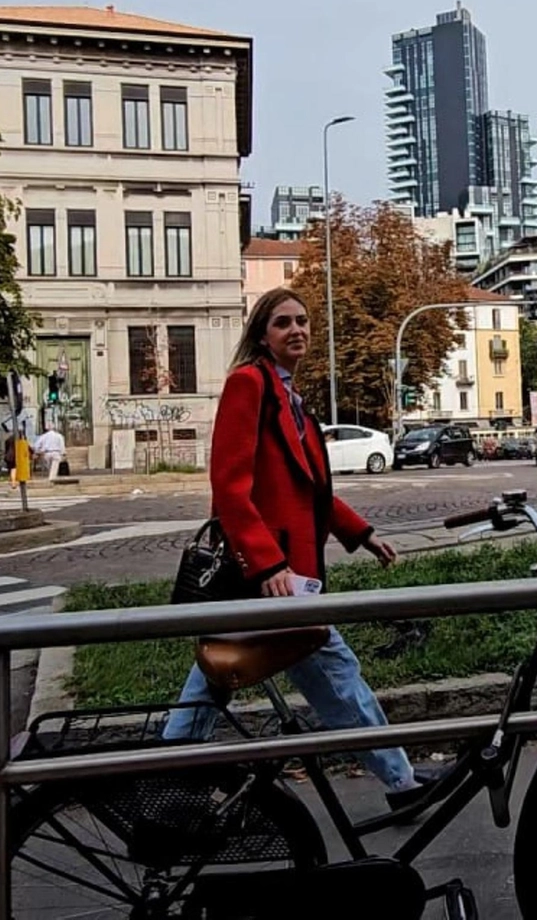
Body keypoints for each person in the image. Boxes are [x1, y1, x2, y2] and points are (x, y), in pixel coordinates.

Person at [161, 288, 438, 809]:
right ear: (262, 335)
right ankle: (400, 783)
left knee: (219, 675)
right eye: (283, 322)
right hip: (273, 579)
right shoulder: (250, 386)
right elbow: (229, 489)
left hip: (290, 579)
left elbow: (313, 492)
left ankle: (159, 774)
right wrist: (268, 563)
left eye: (304, 322)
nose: (297, 331)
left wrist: (363, 534)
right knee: (330, 674)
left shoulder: (294, 404)